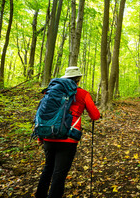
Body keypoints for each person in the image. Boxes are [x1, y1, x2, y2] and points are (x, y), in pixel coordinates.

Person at [35, 66, 100, 198]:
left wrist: (40, 136)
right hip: (68, 138)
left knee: (48, 168)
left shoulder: (51, 91)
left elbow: (43, 112)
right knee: (59, 174)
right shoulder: (82, 93)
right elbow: (95, 115)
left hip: (48, 134)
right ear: (78, 79)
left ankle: (40, 195)